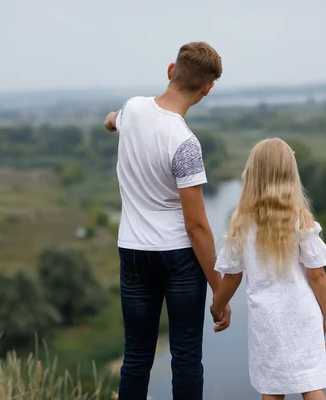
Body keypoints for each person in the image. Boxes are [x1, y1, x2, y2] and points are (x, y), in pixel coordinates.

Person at [103, 42, 231, 400]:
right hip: (179, 257)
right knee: (186, 356)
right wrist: (220, 291)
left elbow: (113, 119)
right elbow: (197, 227)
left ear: (170, 70)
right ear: (207, 89)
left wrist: (112, 121)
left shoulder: (133, 109)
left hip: (133, 252)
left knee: (137, 356)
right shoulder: (185, 143)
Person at [210, 138, 326, 400]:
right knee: (311, 385)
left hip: (266, 319)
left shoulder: (241, 222)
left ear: (252, 174)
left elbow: (232, 276)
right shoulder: (301, 217)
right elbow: (317, 274)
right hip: (303, 314)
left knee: (272, 388)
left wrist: (217, 306)